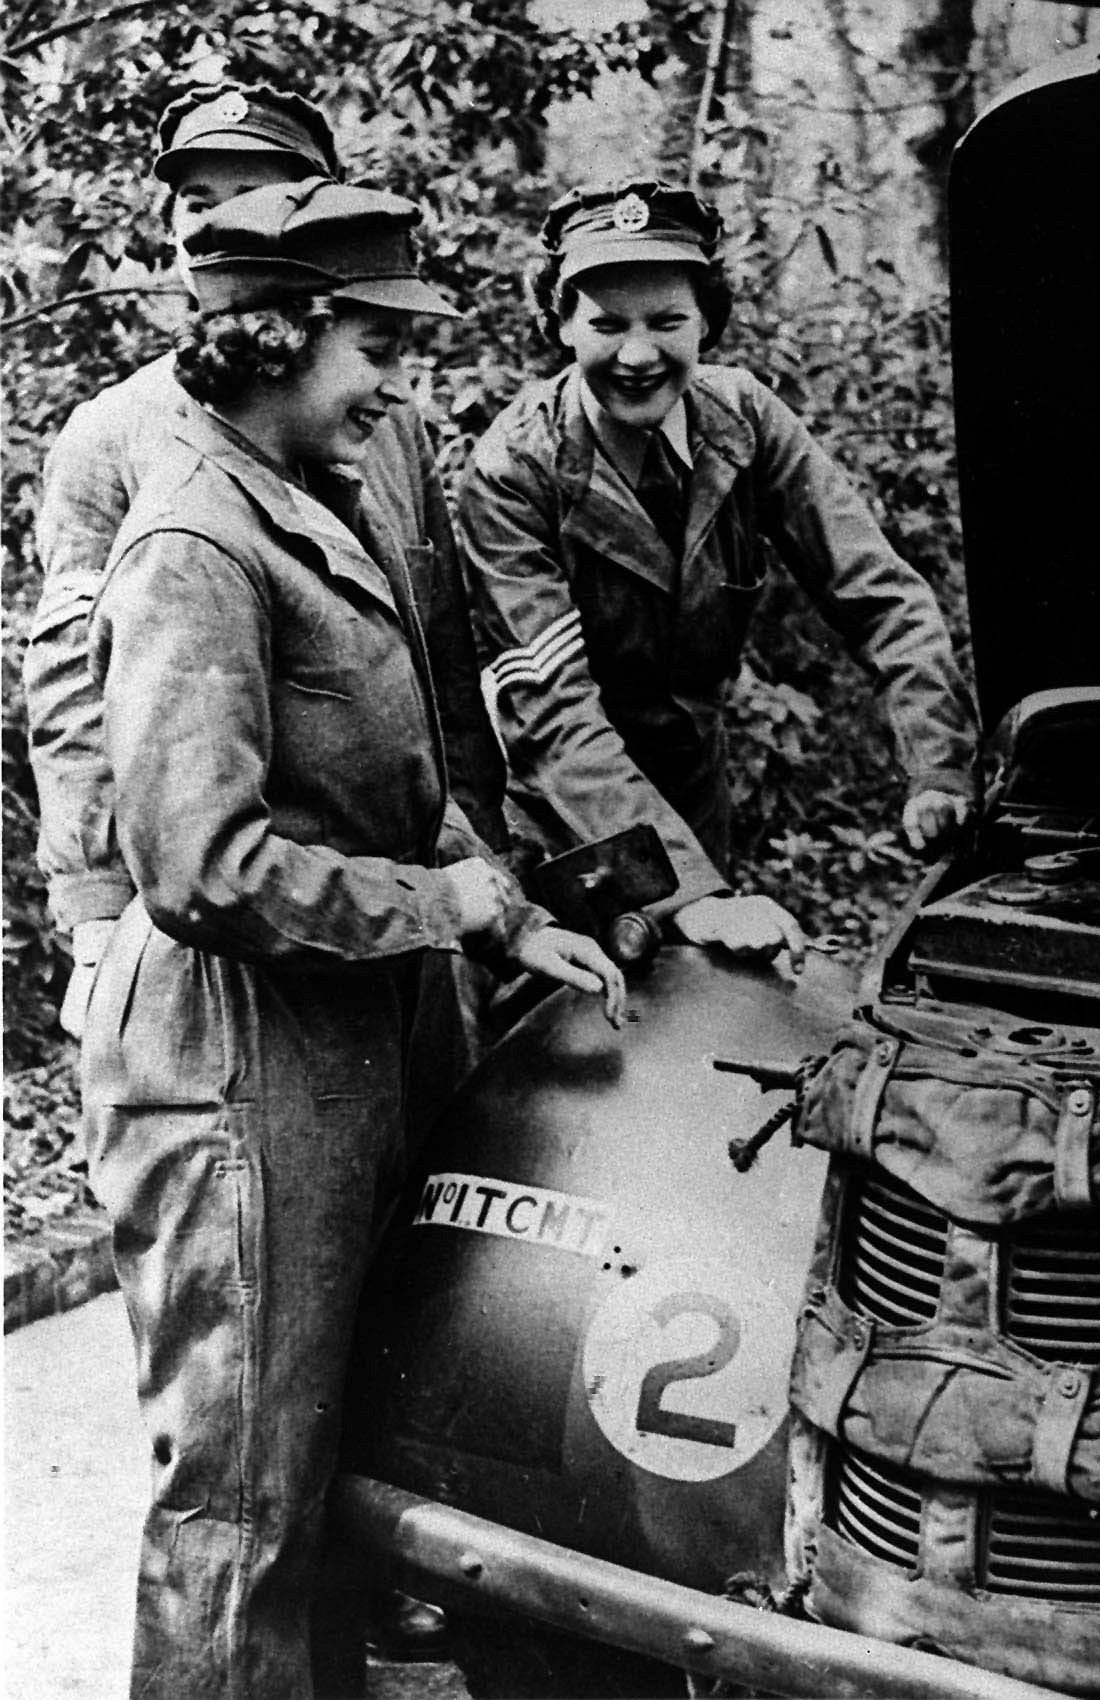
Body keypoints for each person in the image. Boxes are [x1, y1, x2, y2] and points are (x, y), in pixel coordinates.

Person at [80, 176, 627, 1699]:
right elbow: (199, 864)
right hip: (236, 1065)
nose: (395, 382)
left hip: (346, 1033)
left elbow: (390, 786)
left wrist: (503, 911)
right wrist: (438, 909)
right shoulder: (196, 539)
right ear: (276, 336)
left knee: (327, 1479)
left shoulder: (310, 499)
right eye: (373, 345)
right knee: (241, 1503)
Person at [24, 83, 505, 1045]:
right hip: (230, 919)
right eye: (198, 200)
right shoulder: (114, 434)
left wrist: (480, 864)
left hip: (390, 897)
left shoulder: (378, 418)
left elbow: (432, 645)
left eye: (259, 192)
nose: (222, 219)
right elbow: (74, 689)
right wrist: (93, 919)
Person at [458, 179, 979, 969]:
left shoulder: (742, 419)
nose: (638, 355)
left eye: (668, 321)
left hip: (693, 800)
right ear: (562, 326)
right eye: (606, 324)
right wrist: (691, 896)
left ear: (708, 321)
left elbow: (880, 594)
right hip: (564, 821)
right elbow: (551, 716)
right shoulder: (513, 470)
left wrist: (938, 765)